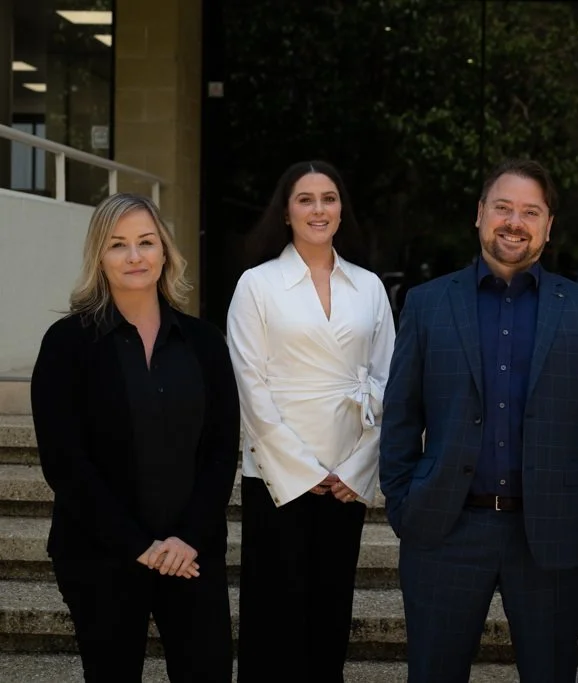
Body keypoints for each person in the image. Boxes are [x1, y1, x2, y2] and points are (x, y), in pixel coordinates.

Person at [380, 159, 578, 683]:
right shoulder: (428, 305)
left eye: (530, 211)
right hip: (446, 530)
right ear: (479, 215)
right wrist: (405, 504)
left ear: (548, 225)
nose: (514, 222)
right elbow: (401, 416)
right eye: (503, 208)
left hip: (552, 536)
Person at [31, 193, 239, 681]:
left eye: (146, 242)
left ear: (165, 251)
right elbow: (64, 462)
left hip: (191, 554)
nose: (134, 256)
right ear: (99, 258)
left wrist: (186, 539)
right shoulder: (67, 344)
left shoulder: (204, 342)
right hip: (100, 555)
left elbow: (220, 449)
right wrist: (139, 546)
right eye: (117, 245)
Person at [227, 160, 395, 681]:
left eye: (329, 198)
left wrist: (356, 469)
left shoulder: (369, 286)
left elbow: (390, 380)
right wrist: (304, 472)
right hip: (279, 477)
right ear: (285, 212)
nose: (318, 209)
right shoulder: (256, 285)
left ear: (342, 210)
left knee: (329, 615)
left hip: (345, 479)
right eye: (306, 199)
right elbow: (250, 388)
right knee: (272, 618)